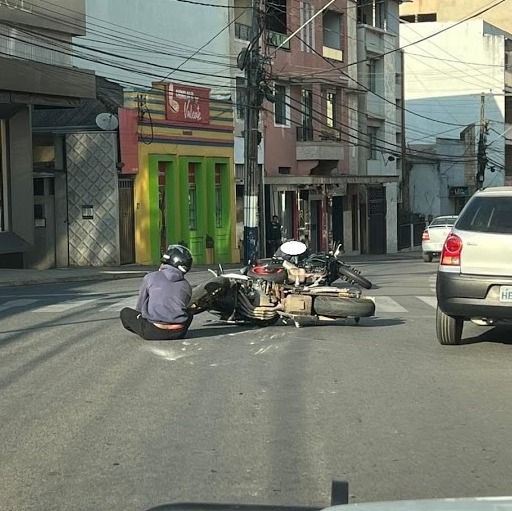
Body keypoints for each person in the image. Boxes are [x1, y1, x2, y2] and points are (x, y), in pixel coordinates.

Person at [120, 244, 193, 341]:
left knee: (125, 312)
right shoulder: (186, 285)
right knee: (190, 312)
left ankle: (146, 330)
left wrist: (141, 317)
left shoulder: (150, 277)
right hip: (178, 332)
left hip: (154, 331)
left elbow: (140, 305)